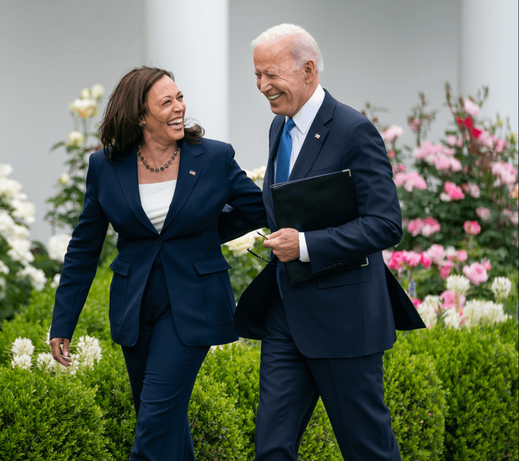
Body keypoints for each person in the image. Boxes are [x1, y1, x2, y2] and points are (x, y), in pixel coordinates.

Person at [49, 66, 266, 461]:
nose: (179, 107)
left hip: (193, 304)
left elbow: (257, 209)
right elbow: (83, 249)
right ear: (139, 115)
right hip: (135, 306)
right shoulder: (105, 165)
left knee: (153, 423)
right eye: (166, 102)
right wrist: (62, 323)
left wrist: (204, 235)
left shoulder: (214, 157)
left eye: (180, 98)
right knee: (163, 422)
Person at [235, 24, 425, 460]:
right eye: (257, 75)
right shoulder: (278, 129)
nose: (263, 86)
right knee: (272, 448)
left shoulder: (354, 131)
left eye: (271, 75)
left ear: (308, 69)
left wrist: (305, 245)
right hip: (286, 315)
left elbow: (384, 224)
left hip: (345, 321)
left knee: (367, 451)